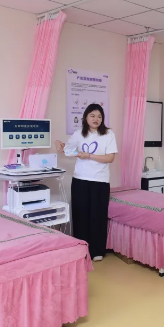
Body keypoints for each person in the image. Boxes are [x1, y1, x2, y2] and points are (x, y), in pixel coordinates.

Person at [54, 104, 118, 261]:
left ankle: (97, 251)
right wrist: (58, 143)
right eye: (93, 116)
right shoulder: (78, 134)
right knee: (80, 215)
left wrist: (89, 156)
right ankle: (81, 249)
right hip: (80, 179)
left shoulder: (108, 134)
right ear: (86, 118)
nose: (96, 119)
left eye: (99, 116)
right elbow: (68, 150)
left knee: (98, 216)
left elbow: (110, 158)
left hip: (100, 181)